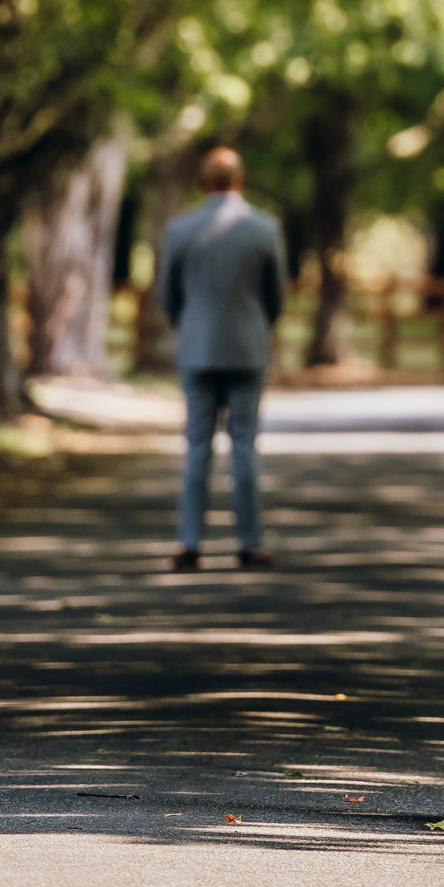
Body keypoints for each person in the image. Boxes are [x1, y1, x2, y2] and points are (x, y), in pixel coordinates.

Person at [156, 147, 288, 573]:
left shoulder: (180, 229)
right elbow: (276, 297)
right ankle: (249, 542)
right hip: (248, 349)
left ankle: (189, 541)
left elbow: (167, 295)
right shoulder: (264, 228)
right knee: (245, 447)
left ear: (203, 182)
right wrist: (257, 325)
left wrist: (188, 325)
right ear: (240, 180)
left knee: (196, 447)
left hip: (196, 350)